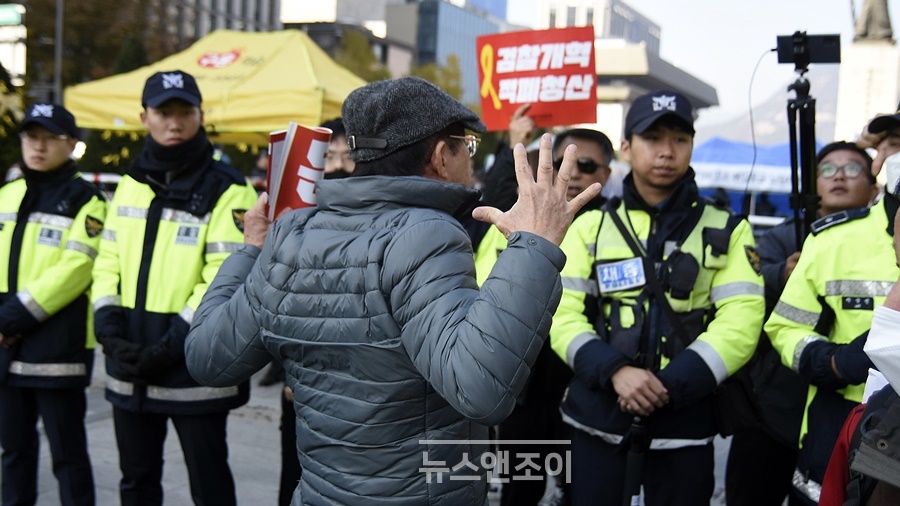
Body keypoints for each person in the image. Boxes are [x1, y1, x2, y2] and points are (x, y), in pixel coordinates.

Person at [183, 75, 601, 505]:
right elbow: (481, 388)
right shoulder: (427, 232)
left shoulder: (289, 233)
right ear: (441, 155)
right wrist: (534, 246)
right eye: (467, 146)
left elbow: (207, 357)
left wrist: (251, 249)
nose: (470, 161)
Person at [550, 89, 765, 506]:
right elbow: (561, 313)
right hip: (597, 421)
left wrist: (671, 384)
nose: (667, 151)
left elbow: (742, 318)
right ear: (627, 147)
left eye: (680, 139)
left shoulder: (729, 228)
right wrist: (614, 371)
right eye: (653, 138)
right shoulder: (589, 227)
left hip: (685, 423)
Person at [90, 70, 259, 506]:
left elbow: (225, 273)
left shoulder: (228, 188)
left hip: (192, 363)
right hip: (129, 360)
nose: (175, 122)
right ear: (144, 116)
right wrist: (107, 331)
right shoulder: (130, 182)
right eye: (164, 112)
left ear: (201, 116)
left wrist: (171, 345)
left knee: (210, 485)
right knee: (136, 483)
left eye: (185, 112)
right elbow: (108, 257)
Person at [726, 141, 880, 506]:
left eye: (853, 169)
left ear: (875, 186)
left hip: (848, 414)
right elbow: (747, 294)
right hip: (774, 407)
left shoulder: (889, 244)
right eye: (828, 169)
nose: (839, 175)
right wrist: (783, 273)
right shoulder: (783, 236)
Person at [474, 112, 614, 506]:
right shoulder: (516, 216)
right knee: (523, 485)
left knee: (582, 487)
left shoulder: (617, 227)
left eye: (584, 165)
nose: (570, 173)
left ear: (607, 170)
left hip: (587, 386)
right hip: (525, 387)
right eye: (563, 162)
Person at [766, 119, 900, 505]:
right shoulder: (831, 238)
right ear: (877, 161)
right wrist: (833, 362)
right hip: (837, 421)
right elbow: (785, 328)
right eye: (894, 143)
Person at [0, 103, 106, 506]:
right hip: (6, 348)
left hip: (55, 349)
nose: (38, 146)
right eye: (31, 136)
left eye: (49, 138)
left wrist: (9, 318)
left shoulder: (88, 201)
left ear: (72, 145)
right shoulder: (7, 194)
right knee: (13, 452)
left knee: (68, 456)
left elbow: (75, 269)